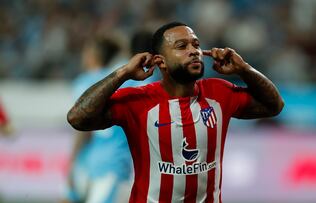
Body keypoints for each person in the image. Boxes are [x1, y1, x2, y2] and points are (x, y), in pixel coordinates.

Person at [67, 22, 284, 202]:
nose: (193, 51)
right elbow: (77, 118)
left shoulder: (220, 93)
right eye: (181, 46)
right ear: (160, 60)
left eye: (196, 45)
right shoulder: (138, 101)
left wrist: (244, 69)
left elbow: (274, 106)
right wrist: (123, 72)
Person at [64, 35, 133, 203]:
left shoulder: (85, 82)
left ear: (93, 54)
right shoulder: (122, 81)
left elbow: (83, 130)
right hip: (115, 161)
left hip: (94, 162)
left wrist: (71, 162)